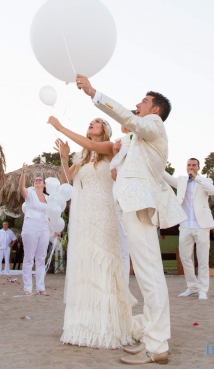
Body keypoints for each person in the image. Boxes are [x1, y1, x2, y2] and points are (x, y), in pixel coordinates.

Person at [74, 74, 186, 366]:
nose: (138, 104)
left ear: (156, 110)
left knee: (150, 275)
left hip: (139, 208)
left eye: (144, 102)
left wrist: (94, 93)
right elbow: (130, 151)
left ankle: (157, 345)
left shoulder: (154, 125)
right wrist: (117, 171)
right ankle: (151, 336)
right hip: (133, 207)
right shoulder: (139, 140)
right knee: (148, 275)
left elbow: (130, 120)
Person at [47, 116, 137, 349]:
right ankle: (84, 324)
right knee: (86, 264)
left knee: (105, 262)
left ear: (104, 130)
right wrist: (66, 157)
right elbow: (67, 179)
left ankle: (108, 324)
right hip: (85, 215)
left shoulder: (108, 149)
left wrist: (61, 127)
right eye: (90, 121)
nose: (91, 123)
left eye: (96, 122)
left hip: (105, 212)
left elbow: (91, 146)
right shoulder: (82, 156)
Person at [164, 158, 214, 300]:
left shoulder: (206, 181)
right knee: (185, 257)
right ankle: (192, 287)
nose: (191, 167)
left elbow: (213, 191)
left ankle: (203, 289)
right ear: (186, 167)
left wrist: (197, 179)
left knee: (203, 258)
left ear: (198, 167)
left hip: (201, 225)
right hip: (185, 225)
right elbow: (167, 178)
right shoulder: (181, 181)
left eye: (194, 165)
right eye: (189, 165)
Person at [109, 114, 137, 284]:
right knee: (122, 247)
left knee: (130, 245)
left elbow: (118, 163)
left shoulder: (134, 139)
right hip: (117, 195)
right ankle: (122, 283)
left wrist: (115, 154)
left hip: (130, 196)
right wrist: (115, 151)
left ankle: (126, 283)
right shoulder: (120, 141)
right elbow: (116, 165)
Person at [19, 167, 51, 295]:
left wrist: (55, 229)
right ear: (33, 184)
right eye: (35, 180)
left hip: (44, 227)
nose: (37, 181)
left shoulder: (48, 198)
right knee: (29, 258)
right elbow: (21, 188)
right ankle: (28, 288)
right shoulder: (30, 194)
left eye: (40, 180)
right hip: (30, 225)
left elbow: (52, 214)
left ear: (44, 184)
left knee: (41, 258)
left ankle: (41, 288)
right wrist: (23, 173)